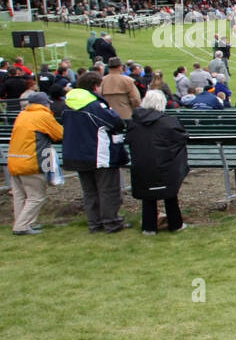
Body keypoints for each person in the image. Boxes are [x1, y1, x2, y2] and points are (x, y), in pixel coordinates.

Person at [62, 72, 130, 233]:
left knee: (90, 191)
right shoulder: (94, 105)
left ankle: (95, 222)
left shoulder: (69, 104)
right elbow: (115, 122)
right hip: (99, 153)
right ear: (95, 86)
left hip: (78, 153)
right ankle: (111, 222)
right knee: (108, 190)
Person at [126, 89, 189, 234]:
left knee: (151, 196)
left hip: (144, 164)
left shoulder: (135, 123)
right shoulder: (167, 122)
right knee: (169, 195)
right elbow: (181, 137)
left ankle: (149, 227)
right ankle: (175, 224)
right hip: (164, 163)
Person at [7, 91, 63, 235]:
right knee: (36, 197)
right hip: (31, 162)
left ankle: (23, 223)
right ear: (45, 104)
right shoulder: (43, 115)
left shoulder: (22, 114)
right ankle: (22, 226)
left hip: (14, 160)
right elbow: (60, 134)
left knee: (20, 196)